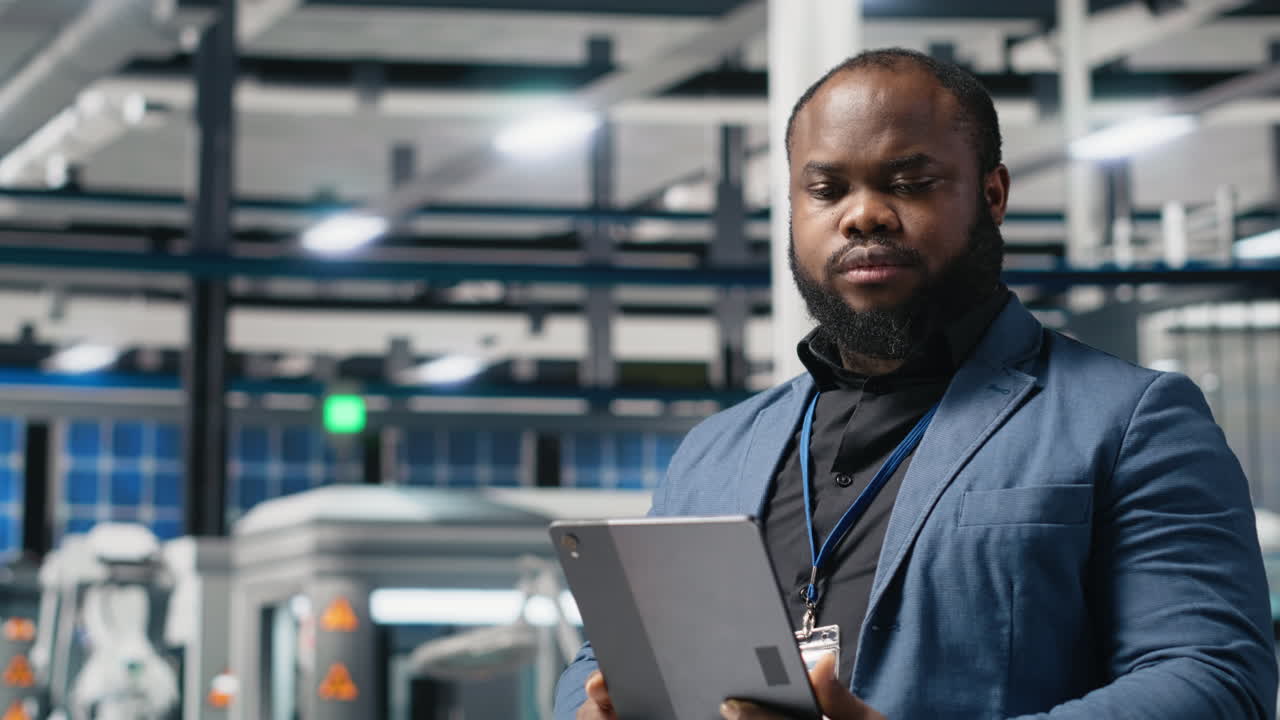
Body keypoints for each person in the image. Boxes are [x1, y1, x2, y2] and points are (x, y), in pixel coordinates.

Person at [554, 47, 1278, 720]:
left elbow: (1212, 678)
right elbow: (604, 656)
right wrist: (586, 708)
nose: (863, 213)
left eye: (909, 183)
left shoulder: (1130, 421)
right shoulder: (714, 450)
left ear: (992, 194)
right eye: (826, 188)